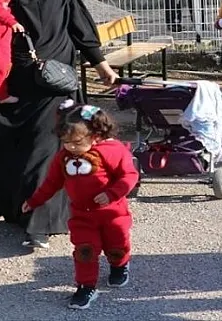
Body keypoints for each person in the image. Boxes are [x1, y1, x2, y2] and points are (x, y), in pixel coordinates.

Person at [0, 0, 120, 249]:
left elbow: (82, 31)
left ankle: (38, 223)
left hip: (53, 85)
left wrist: (102, 67)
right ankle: (16, 209)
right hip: (6, 84)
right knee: (10, 149)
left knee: (43, 151)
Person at [23, 102, 138, 310]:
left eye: (76, 142)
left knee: (116, 245)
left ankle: (119, 266)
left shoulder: (112, 151)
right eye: (65, 142)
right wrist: (34, 201)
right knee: (85, 250)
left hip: (113, 214)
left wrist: (111, 194)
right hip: (82, 215)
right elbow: (51, 183)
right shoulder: (63, 158)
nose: (71, 147)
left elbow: (129, 175)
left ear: (95, 135)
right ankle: (86, 286)